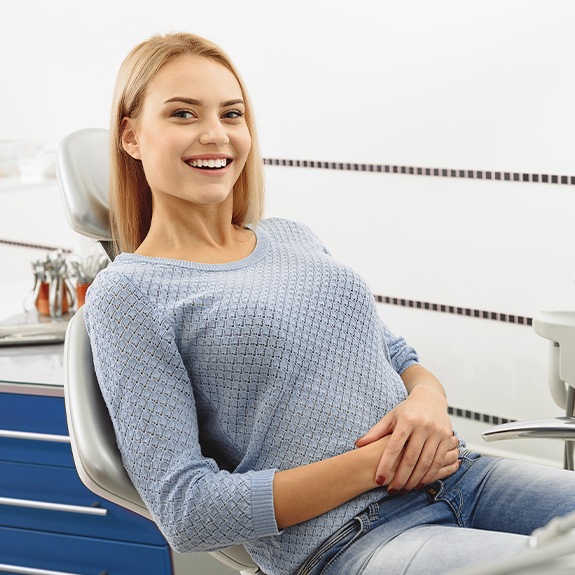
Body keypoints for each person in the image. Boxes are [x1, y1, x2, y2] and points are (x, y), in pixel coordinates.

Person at [84, 32, 575, 575]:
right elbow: (187, 510)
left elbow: (392, 353)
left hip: (462, 476)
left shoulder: (292, 237)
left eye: (231, 114)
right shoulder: (126, 294)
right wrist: (377, 467)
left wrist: (428, 401)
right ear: (131, 136)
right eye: (182, 113)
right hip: (348, 539)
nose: (214, 134)